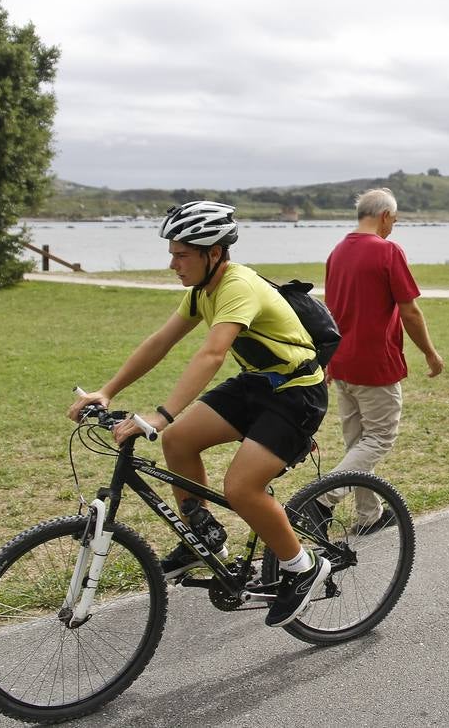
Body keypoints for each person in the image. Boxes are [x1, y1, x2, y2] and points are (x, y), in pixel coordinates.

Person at [67, 200, 330, 628]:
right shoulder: (201, 292)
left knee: (242, 487)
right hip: (258, 382)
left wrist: (162, 415)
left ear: (214, 254)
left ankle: (302, 567)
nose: (173, 263)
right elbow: (160, 342)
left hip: (297, 394)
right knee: (179, 441)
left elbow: (212, 353)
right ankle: (202, 538)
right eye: (172, 253)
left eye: (181, 254)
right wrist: (107, 391)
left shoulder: (237, 286)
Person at [317, 188, 443, 529]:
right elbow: (410, 311)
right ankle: (322, 500)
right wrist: (430, 353)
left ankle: (368, 516)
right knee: (378, 440)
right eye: (395, 221)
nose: (393, 228)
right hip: (375, 363)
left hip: (342, 363)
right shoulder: (387, 251)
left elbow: (330, 312)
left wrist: (327, 359)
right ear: (385, 216)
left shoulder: (337, 252)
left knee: (357, 442)